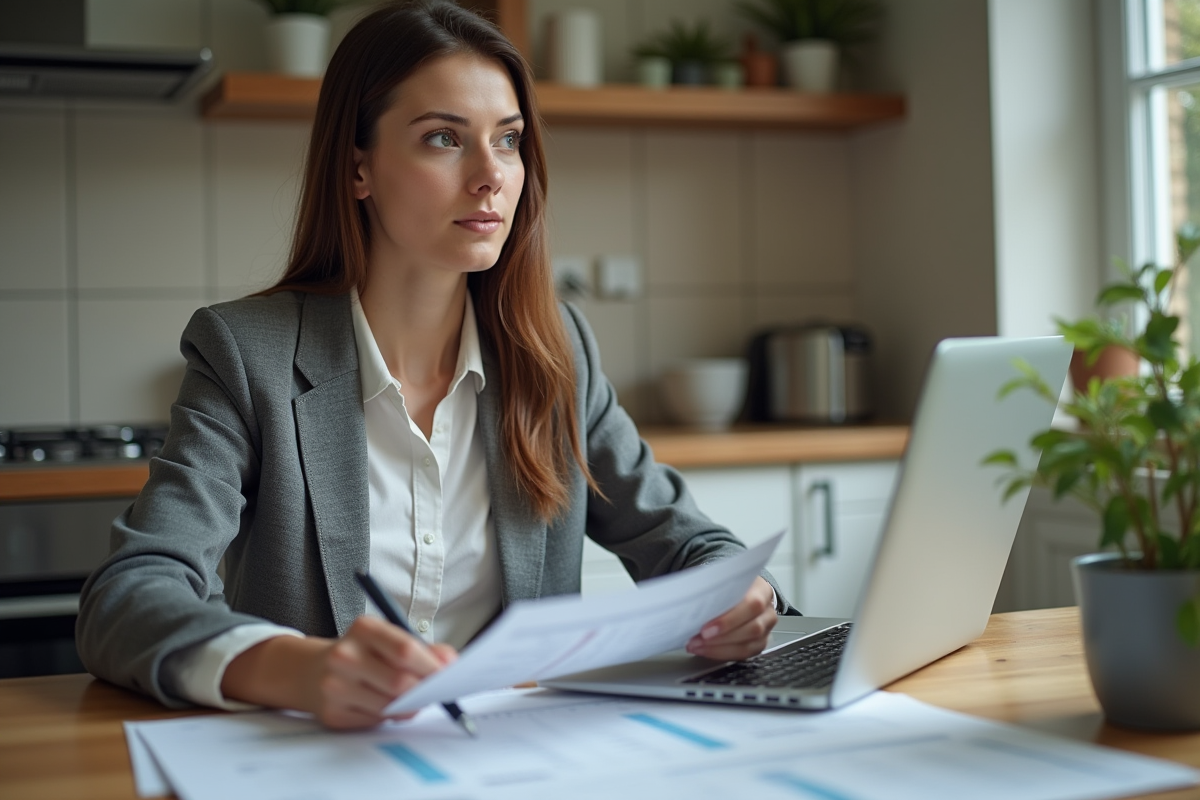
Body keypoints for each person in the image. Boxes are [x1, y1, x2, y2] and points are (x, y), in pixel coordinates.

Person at [76, 0, 794, 730]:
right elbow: (130, 594)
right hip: (323, 765)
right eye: (444, 138)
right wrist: (300, 668)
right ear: (359, 168)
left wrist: (740, 594)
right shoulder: (246, 354)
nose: (490, 176)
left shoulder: (555, 351)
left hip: (521, 763)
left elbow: (684, 539)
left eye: (508, 140)